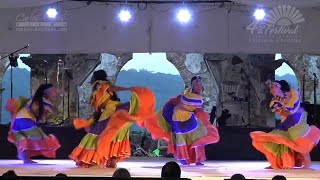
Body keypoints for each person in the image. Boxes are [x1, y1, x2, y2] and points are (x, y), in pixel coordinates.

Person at [69, 70, 155, 168]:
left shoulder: (100, 84)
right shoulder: (100, 87)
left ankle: (98, 159)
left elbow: (110, 88)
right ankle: (111, 161)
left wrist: (126, 89)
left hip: (111, 111)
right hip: (114, 111)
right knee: (115, 135)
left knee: (102, 134)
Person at [143, 75, 220, 165]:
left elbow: (194, 108)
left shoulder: (193, 96)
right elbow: (185, 106)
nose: (198, 85)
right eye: (196, 83)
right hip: (179, 118)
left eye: (200, 83)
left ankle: (197, 159)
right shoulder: (190, 96)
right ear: (192, 85)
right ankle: (183, 158)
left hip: (189, 118)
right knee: (182, 138)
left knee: (198, 136)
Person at [250, 80, 320, 169]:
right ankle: (277, 163)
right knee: (275, 139)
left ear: (279, 86)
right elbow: (286, 114)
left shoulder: (292, 94)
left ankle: (307, 162)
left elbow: (292, 111)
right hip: (286, 123)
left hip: (298, 119)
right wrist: (282, 108)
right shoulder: (274, 102)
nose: (270, 89)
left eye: (272, 87)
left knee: (299, 138)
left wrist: (284, 108)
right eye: (270, 88)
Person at [6, 84, 61, 164]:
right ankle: (26, 158)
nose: (55, 92)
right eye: (53, 90)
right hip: (25, 120)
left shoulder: (36, 99)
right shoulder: (43, 101)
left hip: (18, 119)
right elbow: (36, 112)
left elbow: (34, 111)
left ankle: (26, 159)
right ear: (46, 92)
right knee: (36, 138)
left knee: (25, 139)